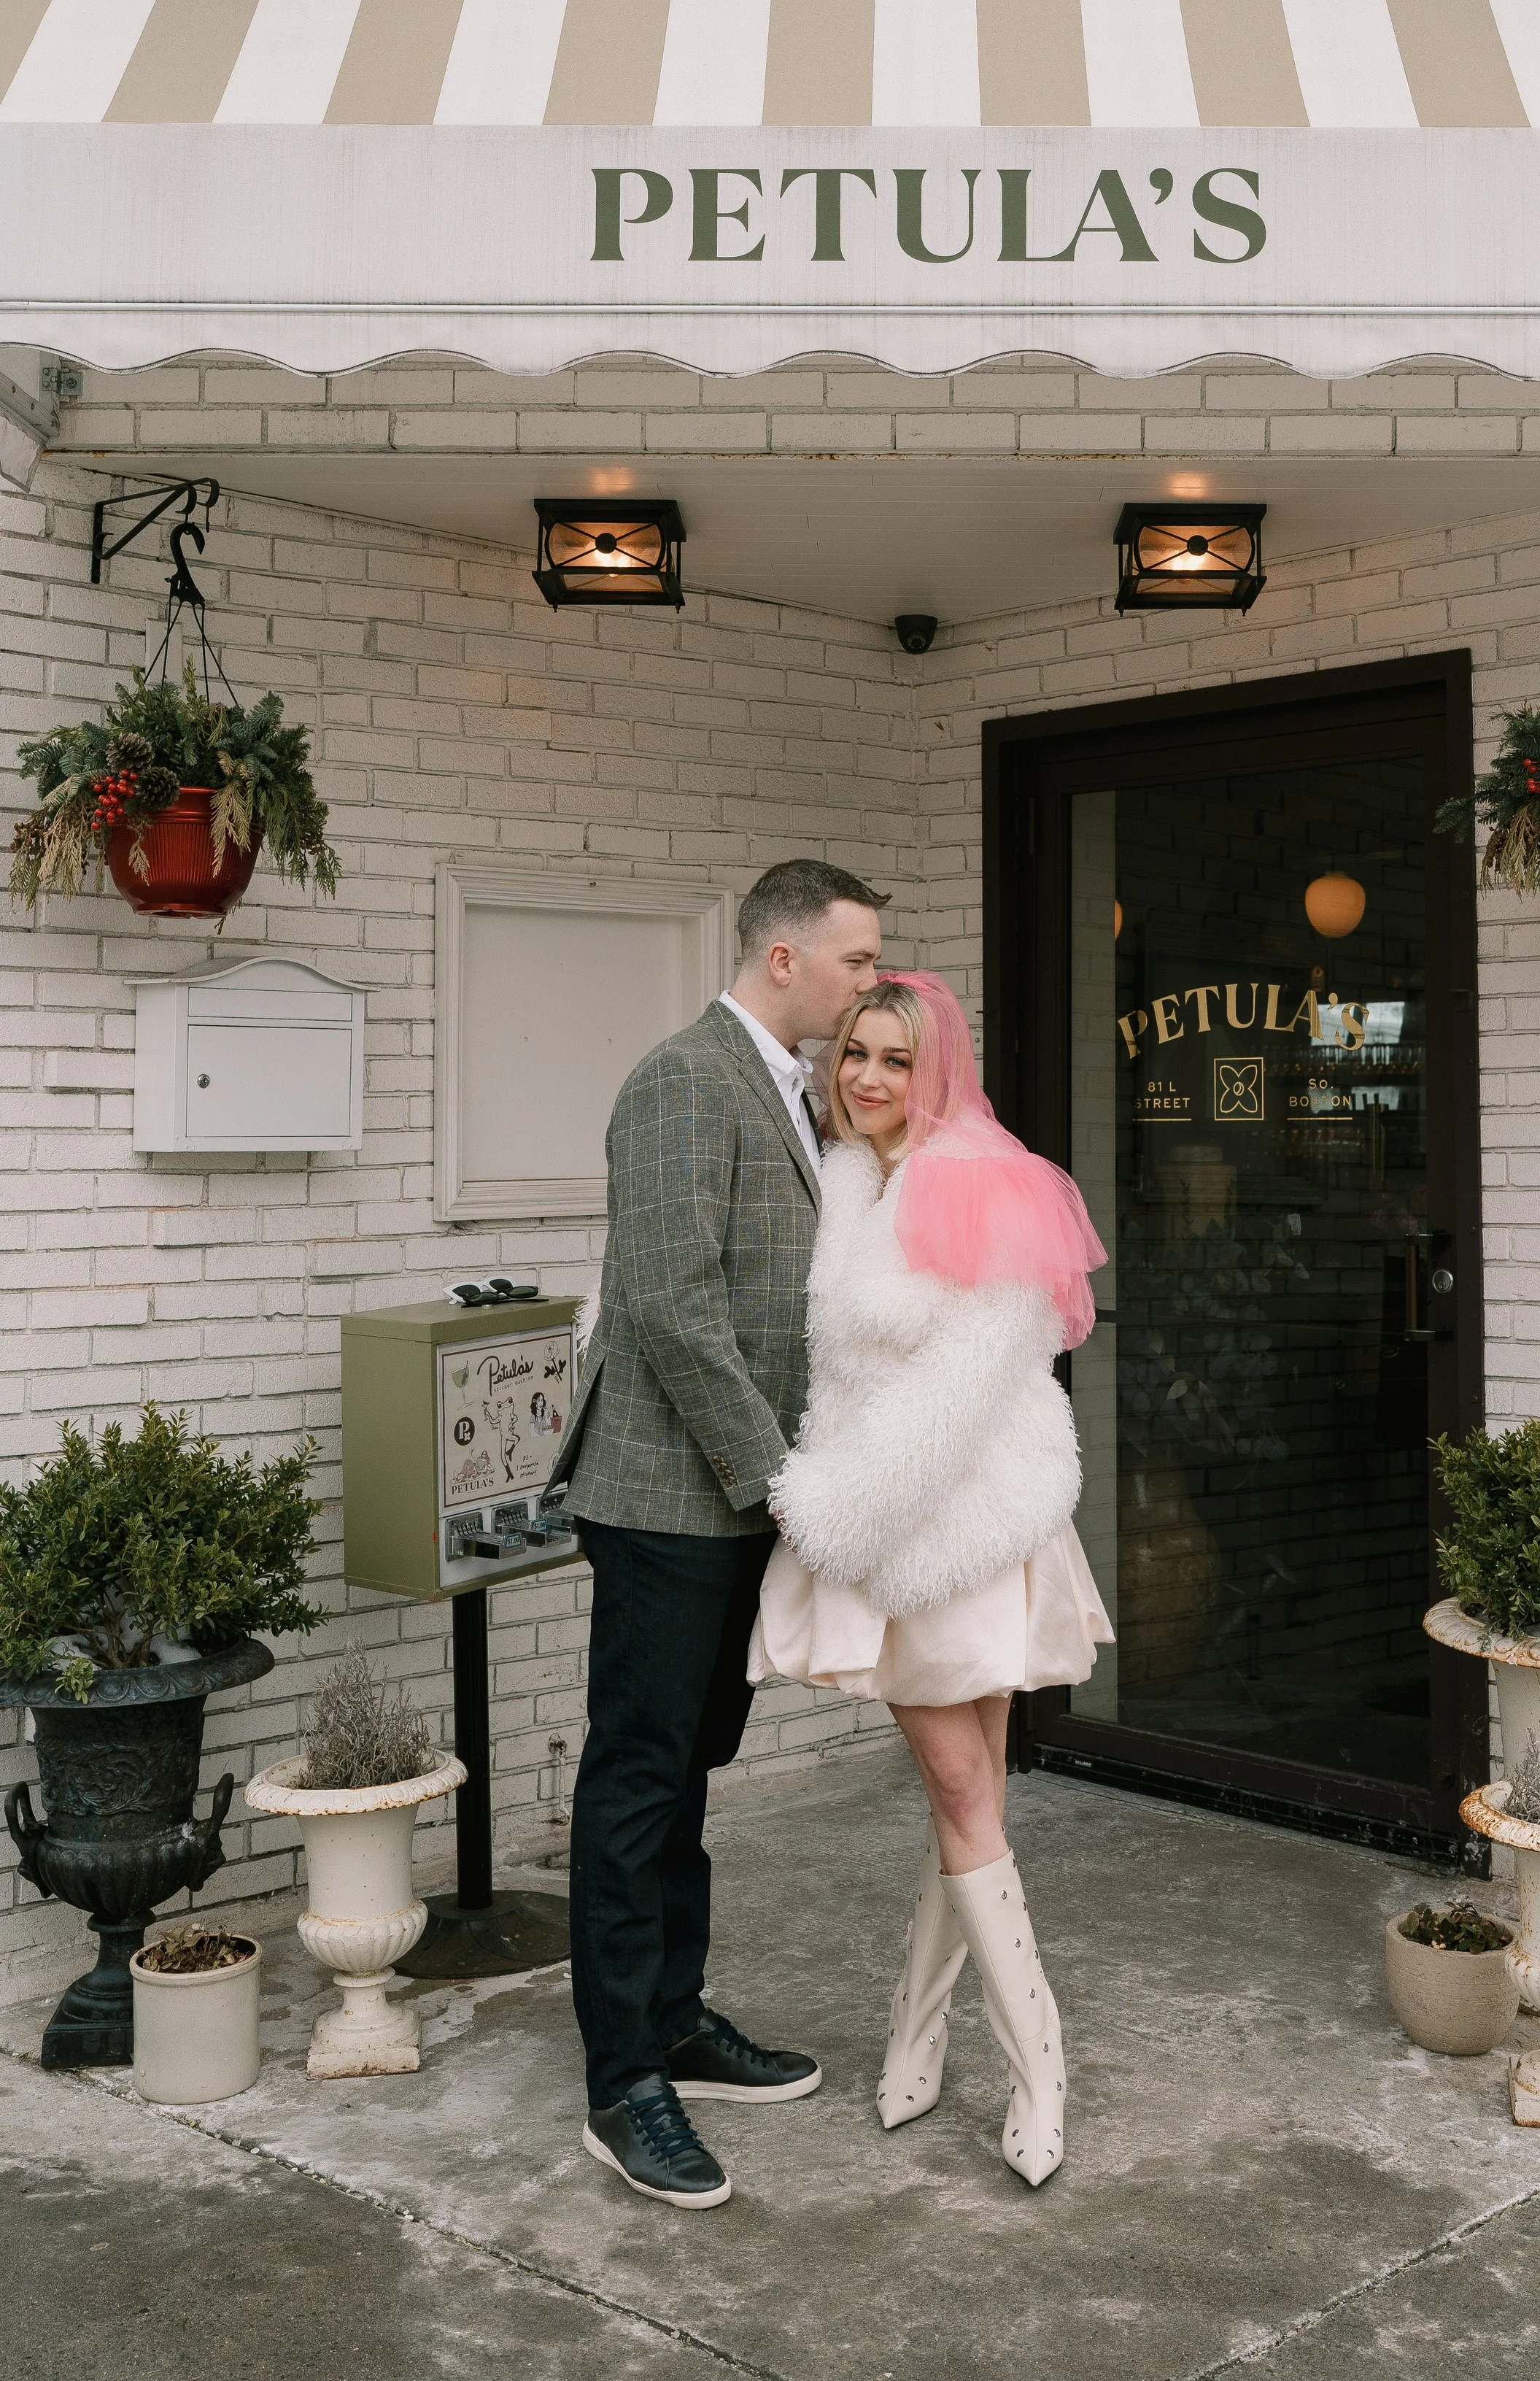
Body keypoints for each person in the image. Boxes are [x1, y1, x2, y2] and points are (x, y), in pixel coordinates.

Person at [546, 857, 882, 2209]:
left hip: (736, 1503)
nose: (873, 983)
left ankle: (677, 2021)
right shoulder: (686, 1079)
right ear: (785, 957)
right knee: (637, 1782)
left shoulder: (790, 1091)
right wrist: (782, 1483)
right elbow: (670, 1305)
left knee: (686, 1771)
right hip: (667, 1501)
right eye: (857, 960)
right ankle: (623, 2080)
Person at [754, 970, 1111, 2188]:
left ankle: (1037, 2074)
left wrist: (834, 1515)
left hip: (951, 1531)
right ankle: (920, 2038)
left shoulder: (987, 1184)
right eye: (855, 1052)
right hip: (889, 1527)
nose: (865, 1078)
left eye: (895, 1060)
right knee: (968, 1800)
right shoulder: (854, 1181)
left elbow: (965, 1390)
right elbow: (839, 1374)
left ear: (937, 1069)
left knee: (967, 1795)